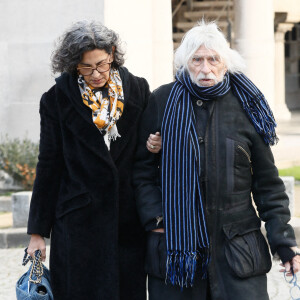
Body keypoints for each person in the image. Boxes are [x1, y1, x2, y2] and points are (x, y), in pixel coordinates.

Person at [133, 21, 300, 300]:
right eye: (197, 60)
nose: (205, 68)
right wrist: (157, 217)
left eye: (213, 59)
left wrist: (284, 243)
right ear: (185, 64)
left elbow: (268, 184)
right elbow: (142, 171)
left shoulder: (247, 105)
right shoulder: (162, 100)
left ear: (226, 64)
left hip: (237, 253)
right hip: (178, 252)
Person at [26, 20, 161, 300]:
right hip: (77, 225)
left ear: (112, 54)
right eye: (86, 67)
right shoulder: (55, 100)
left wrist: (155, 145)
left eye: (101, 64)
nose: (96, 73)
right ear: (74, 64)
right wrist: (37, 232)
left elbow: (147, 156)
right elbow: (48, 164)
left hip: (127, 224)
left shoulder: (138, 90)